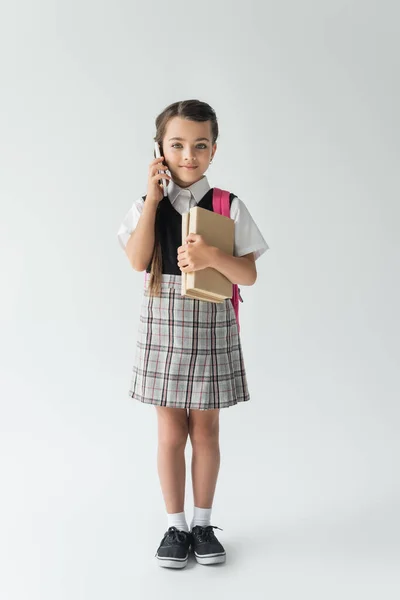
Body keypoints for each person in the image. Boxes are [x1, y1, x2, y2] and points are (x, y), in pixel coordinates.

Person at [117, 99, 269, 568]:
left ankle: (203, 524)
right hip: (163, 326)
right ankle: (176, 526)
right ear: (160, 149)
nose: (189, 155)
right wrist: (153, 198)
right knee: (169, 430)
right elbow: (138, 261)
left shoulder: (227, 205)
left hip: (210, 324)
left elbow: (247, 276)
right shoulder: (147, 206)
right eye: (177, 145)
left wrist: (210, 259)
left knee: (205, 428)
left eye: (200, 146)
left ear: (213, 150)